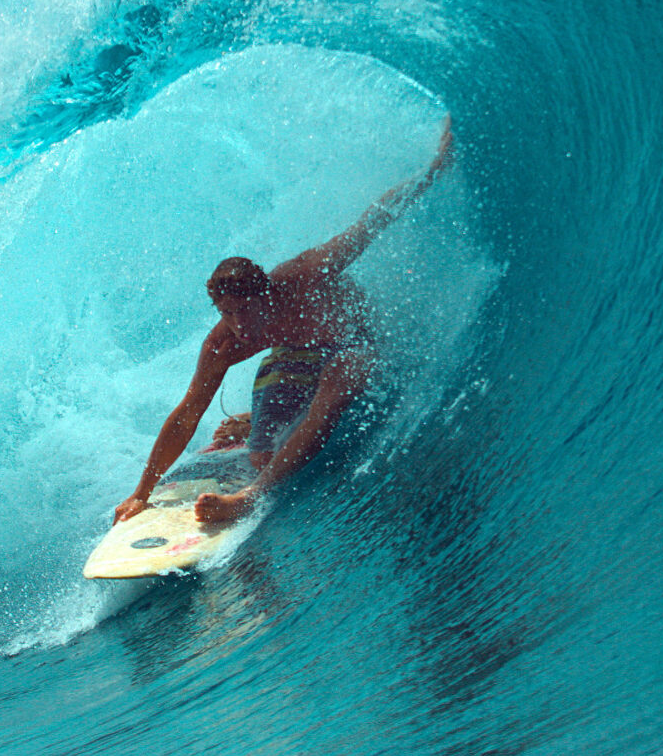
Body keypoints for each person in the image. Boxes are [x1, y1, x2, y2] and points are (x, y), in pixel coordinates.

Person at [113, 118, 456, 527]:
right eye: (227, 313)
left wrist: (434, 168)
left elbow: (373, 221)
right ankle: (249, 426)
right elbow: (188, 412)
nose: (238, 324)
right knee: (262, 455)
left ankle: (249, 497)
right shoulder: (225, 344)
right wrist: (141, 494)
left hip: (361, 345)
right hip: (298, 355)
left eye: (244, 311)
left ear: (265, 296)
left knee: (340, 375)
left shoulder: (306, 274)